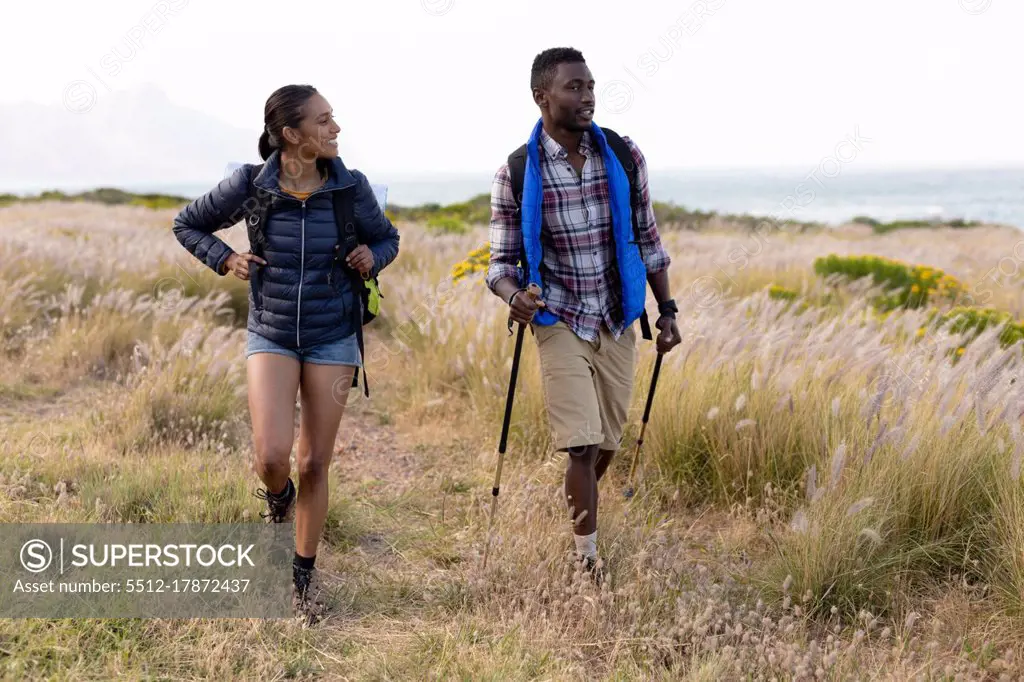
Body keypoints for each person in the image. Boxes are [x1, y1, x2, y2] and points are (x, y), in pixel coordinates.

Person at [172, 84, 400, 620]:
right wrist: (226, 260)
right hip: (271, 330)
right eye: (324, 121)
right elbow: (188, 223)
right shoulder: (253, 187)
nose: (336, 129)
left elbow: (389, 238)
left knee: (314, 461)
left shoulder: (349, 188)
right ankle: (278, 496)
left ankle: (302, 577)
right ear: (291, 135)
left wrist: (374, 256)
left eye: (334, 119)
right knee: (272, 458)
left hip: (334, 333)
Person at [485, 48, 682, 580]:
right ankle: (586, 561)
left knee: (607, 444)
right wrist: (514, 297)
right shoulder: (518, 172)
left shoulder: (622, 154)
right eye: (574, 87)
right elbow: (499, 264)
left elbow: (648, 239)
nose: (587, 96)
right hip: (559, 318)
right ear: (542, 97)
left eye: (591, 85)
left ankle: (579, 503)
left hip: (618, 317)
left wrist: (666, 311)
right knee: (582, 442)